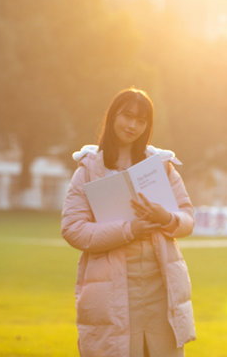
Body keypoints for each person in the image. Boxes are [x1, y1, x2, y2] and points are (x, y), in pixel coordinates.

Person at [61, 88, 196, 357]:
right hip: (113, 292)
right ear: (113, 117)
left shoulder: (161, 166)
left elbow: (188, 218)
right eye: (127, 116)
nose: (133, 125)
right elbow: (73, 229)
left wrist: (166, 218)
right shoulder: (88, 169)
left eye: (141, 120)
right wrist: (129, 230)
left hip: (161, 289)